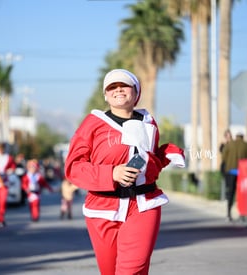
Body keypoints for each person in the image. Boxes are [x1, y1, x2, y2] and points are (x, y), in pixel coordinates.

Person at [64, 68, 185, 275]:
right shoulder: (93, 124)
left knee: (131, 270)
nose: (118, 90)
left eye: (124, 86)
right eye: (112, 87)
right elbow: (73, 167)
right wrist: (111, 173)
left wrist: (167, 154)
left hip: (143, 205)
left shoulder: (149, 122)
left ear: (136, 93)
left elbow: (150, 159)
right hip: (102, 208)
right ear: (106, 95)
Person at [221, 132, 247, 221]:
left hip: (231, 172)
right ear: (243, 137)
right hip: (243, 173)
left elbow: (223, 157)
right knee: (242, 193)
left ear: (235, 137)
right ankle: (242, 214)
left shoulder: (229, 145)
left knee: (231, 193)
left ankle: (228, 213)